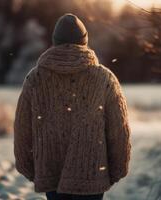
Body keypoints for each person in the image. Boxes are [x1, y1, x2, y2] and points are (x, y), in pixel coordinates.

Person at [14, 13, 131, 200]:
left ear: (55, 42)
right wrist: (116, 171)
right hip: (92, 176)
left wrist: (30, 169)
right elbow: (119, 131)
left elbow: (22, 130)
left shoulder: (35, 79)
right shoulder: (104, 78)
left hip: (52, 177)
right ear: (84, 41)